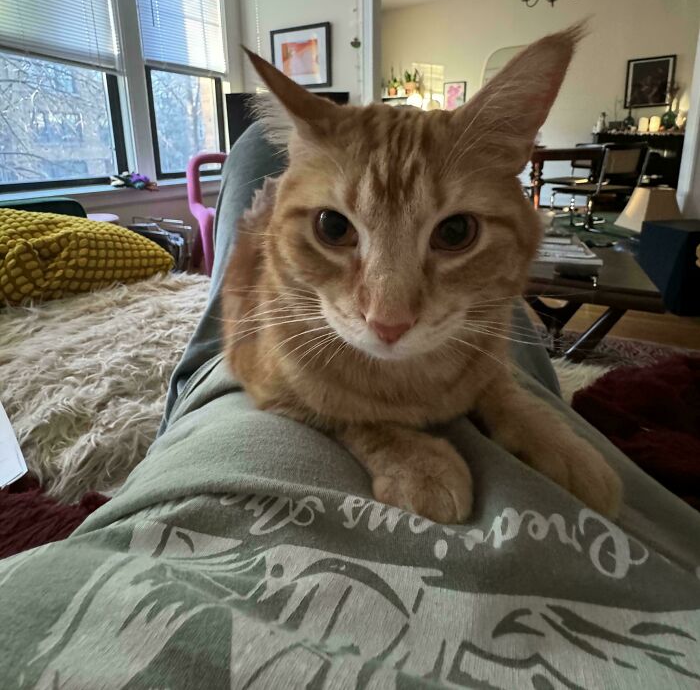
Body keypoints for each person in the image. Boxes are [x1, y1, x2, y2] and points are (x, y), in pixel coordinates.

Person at [1, 123, 698, 689]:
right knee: (491, 328)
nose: (387, 312)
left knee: (259, 163)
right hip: (323, 341)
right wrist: (398, 431)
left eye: (449, 233)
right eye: (339, 229)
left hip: (221, 427)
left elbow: (255, 369)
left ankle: (300, 207)